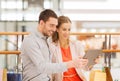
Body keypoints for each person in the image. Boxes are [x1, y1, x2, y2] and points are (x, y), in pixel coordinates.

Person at [20, 9, 88, 81]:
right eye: (51, 25)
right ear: (41, 23)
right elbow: (42, 67)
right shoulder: (31, 41)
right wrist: (71, 64)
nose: (54, 29)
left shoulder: (46, 40)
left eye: (55, 26)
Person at [49, 16, 88, 81]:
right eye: (64, 29)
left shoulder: (76, 44)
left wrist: (87, 63)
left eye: (69, 30)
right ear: (57, 29)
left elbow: (85, 68)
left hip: (78, 79)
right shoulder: (52, 46)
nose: (67, 33)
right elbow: (50, 69)